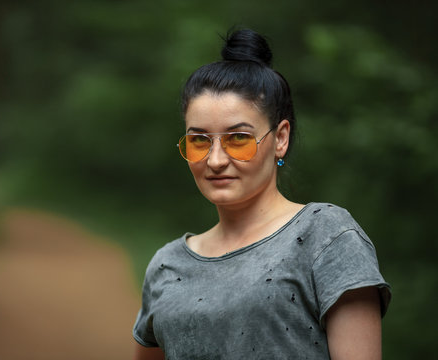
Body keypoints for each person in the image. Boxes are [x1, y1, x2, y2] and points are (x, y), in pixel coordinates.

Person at [133, 28, 391, 360]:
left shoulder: (326, 237)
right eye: (198, 140)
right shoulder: (167, 265)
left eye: (238, 138)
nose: (215, 160)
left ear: (280, 138)